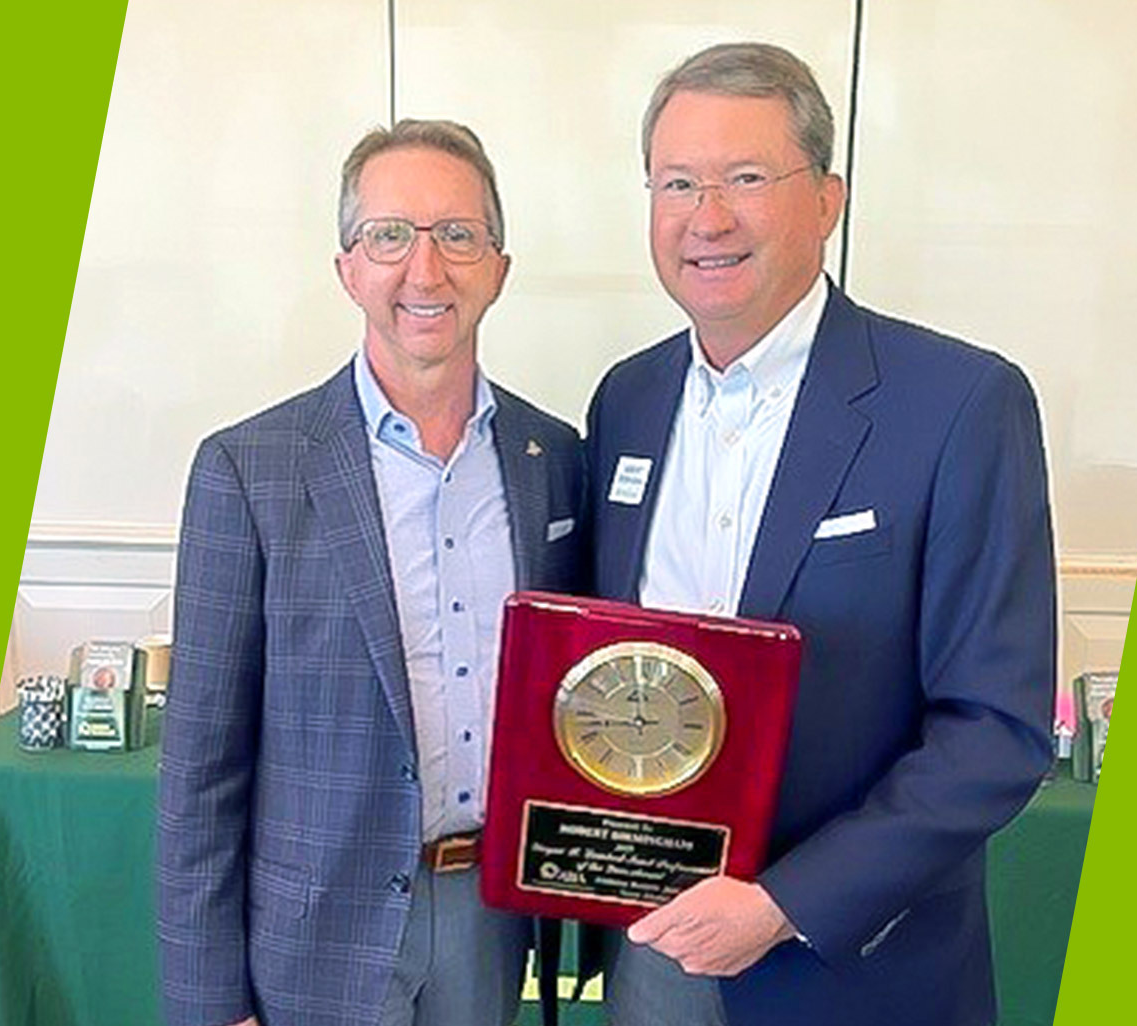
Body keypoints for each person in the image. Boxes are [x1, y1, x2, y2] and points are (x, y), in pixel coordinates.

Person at [584, 43, 1056, 1025]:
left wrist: (780, 908)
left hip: (849, 971)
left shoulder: (959, 403)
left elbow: (993, 731)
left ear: (829, 198)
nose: (706, 217)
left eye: (745, 178)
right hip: (650, 954)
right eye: (677, 183)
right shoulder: (624, 402)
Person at [158, 119, 585, 1026]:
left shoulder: (554, 458)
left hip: (491, 915)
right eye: (390, 236)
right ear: (348, 267)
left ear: (499, 268)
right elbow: (201, 769)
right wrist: (207, 1006)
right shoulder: (250, 469)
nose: (424, 272)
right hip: (315, 931)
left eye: (457, 236)